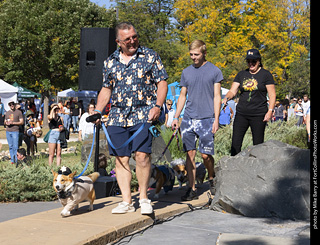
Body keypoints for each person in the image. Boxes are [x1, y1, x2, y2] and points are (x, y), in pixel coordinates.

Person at [94, 22, 168, 215]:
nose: (133, 41)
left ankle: (143, 197)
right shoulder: (110, 62)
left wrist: (158, 106)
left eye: (134, 36)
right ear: (118, 41)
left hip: (144, 114)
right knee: (121, 159)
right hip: (117, 116)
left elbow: (162, 84)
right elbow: (106, 89)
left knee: (142, 156)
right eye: (127, 39)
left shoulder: (150, 56)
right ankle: (127, 201)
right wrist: (98, 110)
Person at [172, 40, 223, 200]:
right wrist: (176, 116)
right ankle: (192, 188)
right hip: (188, 118)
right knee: (190, 154)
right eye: (191, 55)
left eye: (196, 54)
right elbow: (182, 95)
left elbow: (217, 96)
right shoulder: (186, 72)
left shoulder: (214, 71)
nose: (193, 57)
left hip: (207, 118)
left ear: (204, 53)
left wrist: (216, 119)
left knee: (206, 155)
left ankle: (211, 177)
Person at [222, 48, 276, 156]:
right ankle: (233, 167)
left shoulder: (266, 75)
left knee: (258, 144)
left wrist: (270, 111)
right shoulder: (241, 74)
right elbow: (233, 91)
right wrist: (226, 98)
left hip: (259, 114)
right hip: (242, 113)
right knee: (235, 143)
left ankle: (257, 167)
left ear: (259, 61)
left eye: (253, 61)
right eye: (248, 61)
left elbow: (272, 94)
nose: (250, 64)